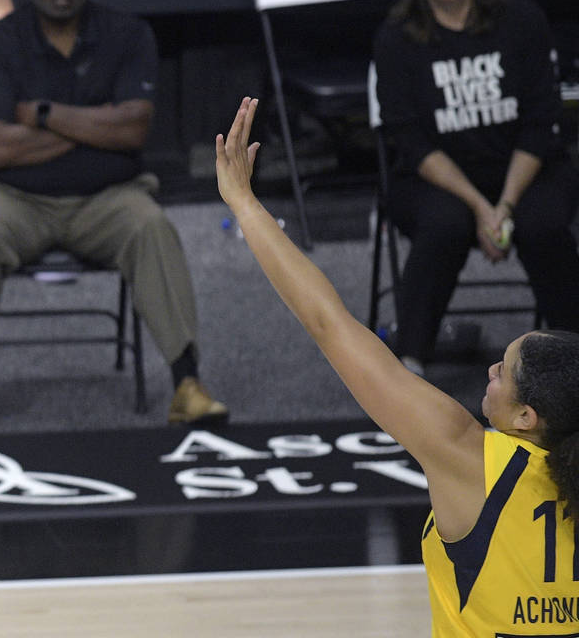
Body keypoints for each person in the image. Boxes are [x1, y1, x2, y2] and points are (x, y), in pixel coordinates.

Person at [216, 95, 579, 636]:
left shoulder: (468, 458)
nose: (488, 372)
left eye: (503, 371)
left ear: (528, 416)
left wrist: (245, 203)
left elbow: (329, 322)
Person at [0, 0, 221, 433]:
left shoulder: (128, 34)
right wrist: (96, 123)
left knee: (151, 226)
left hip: (106, 198)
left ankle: (188, 383)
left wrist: (44, 115)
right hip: (10, 198)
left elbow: (134, 129)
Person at [372, 0, 579, 375]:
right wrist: (481, 208)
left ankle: (572, 360)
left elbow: (542, 121)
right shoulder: (395, 38)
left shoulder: (522, 20)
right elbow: (407, 138)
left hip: (526, 166)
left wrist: (503, 205)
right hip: (437, 177)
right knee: (445, 223)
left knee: (542, 225)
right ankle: (410, 362)